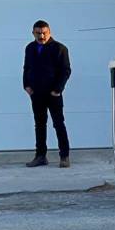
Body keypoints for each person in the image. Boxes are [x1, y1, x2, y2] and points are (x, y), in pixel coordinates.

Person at [23, 20, 72, 168]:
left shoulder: (59, 48)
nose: (41, 36)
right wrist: (26, 85)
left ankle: (64, 156)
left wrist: (57, 90)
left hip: (53, 94)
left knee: (58, 124)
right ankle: (40, 156)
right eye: (38, 33)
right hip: (36, 93)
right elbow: (26, 68)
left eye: (44, 33)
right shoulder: (30, 48)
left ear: (49, 32)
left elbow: (66, 71)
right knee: (39, 125)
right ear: (33, 33)